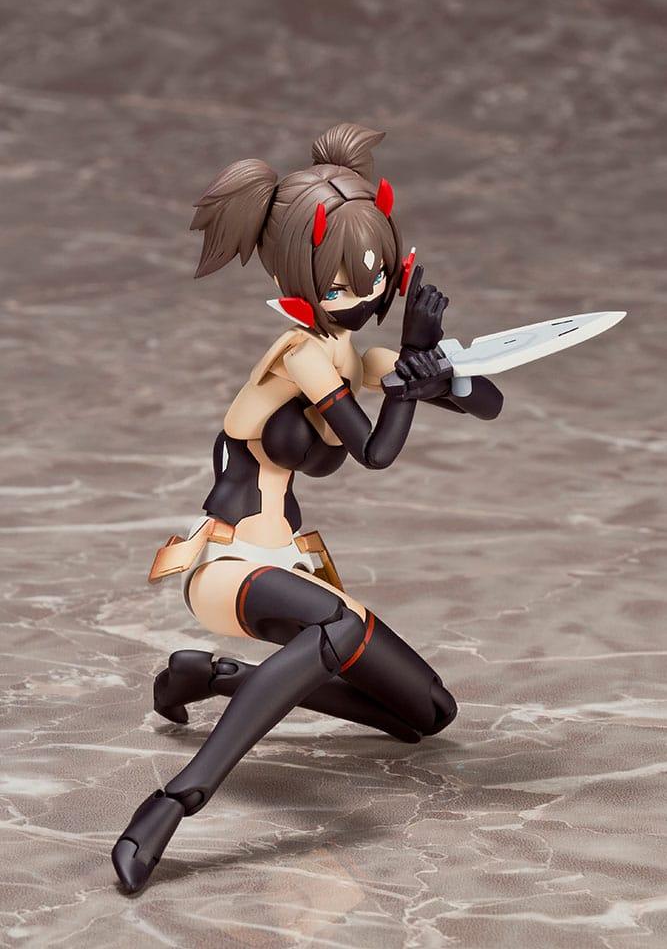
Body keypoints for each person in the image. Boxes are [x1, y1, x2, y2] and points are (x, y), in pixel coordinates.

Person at [112, 122, 503, 893]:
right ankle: (175, 801)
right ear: (298, 275)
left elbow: (486, 401)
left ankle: (216, 676)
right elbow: (376, 451)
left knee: (427, 713)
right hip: (227, 563)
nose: (364, 295)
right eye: (341, 283)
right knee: (338, 629)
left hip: (290, 569)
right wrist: (410, 381)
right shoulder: (299, 354)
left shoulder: (356, 356)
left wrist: (440, 369)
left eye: (376, 275)